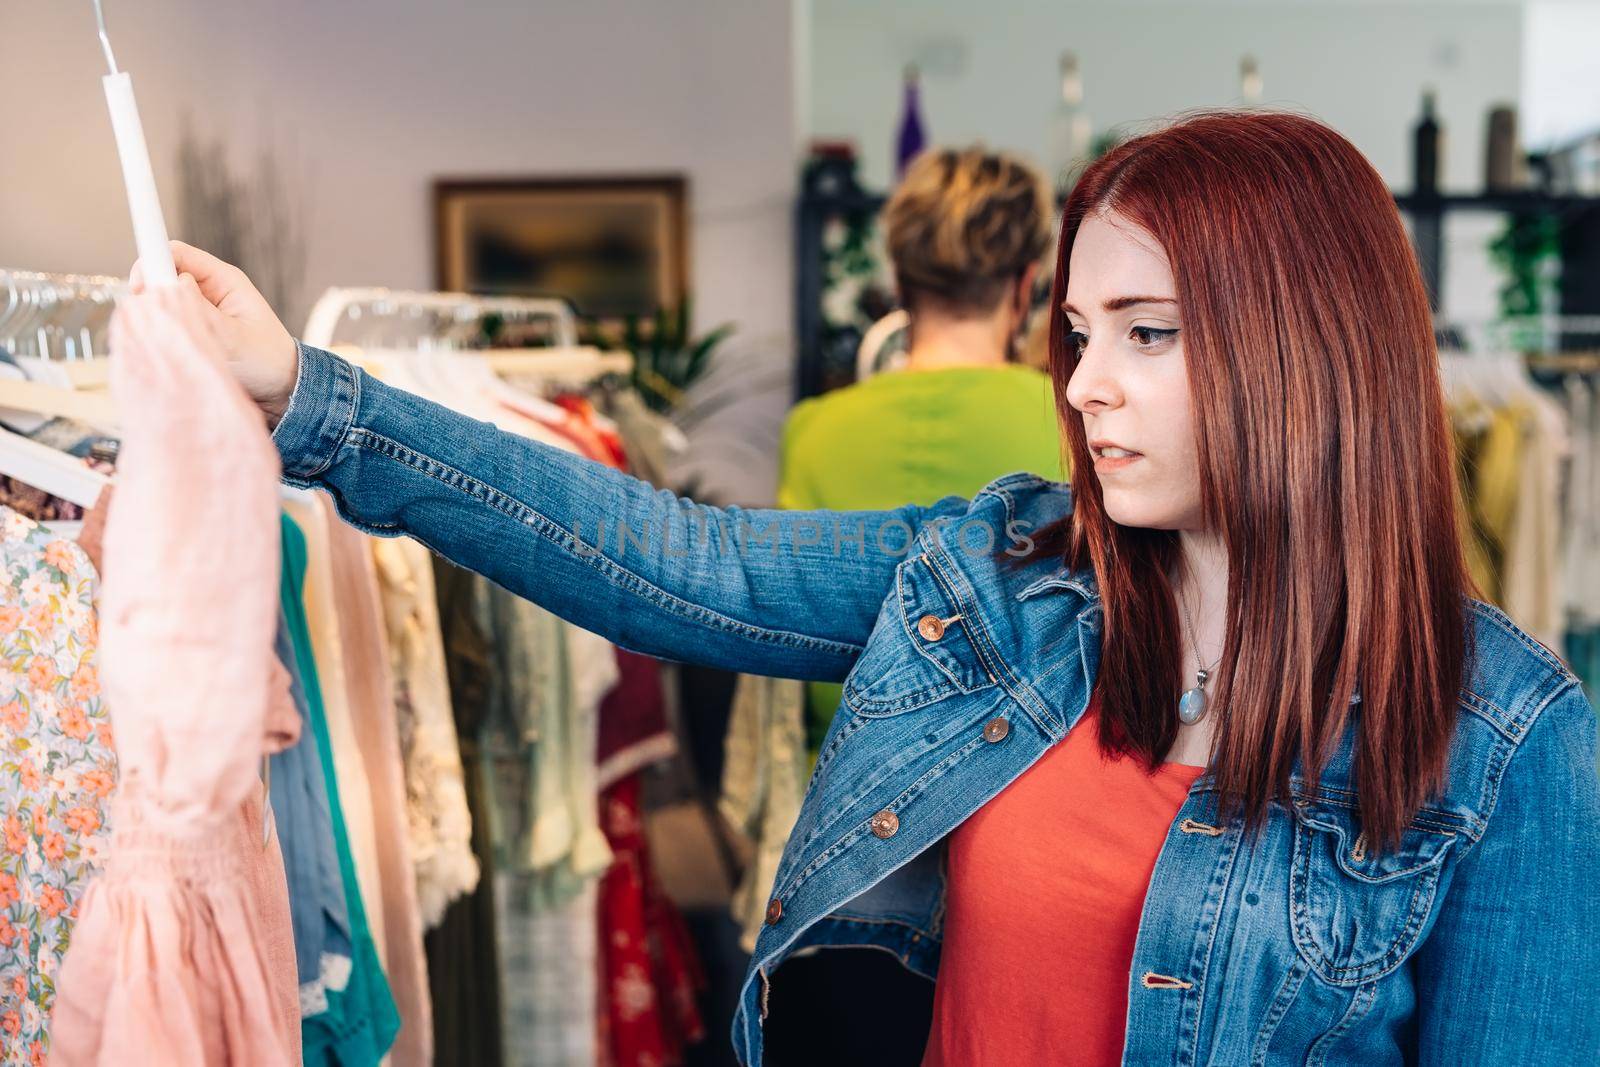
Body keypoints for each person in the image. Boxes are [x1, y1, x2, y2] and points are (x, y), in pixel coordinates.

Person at [120, 110, 1600, 1065]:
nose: (1085, 386)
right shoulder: (1007, 577)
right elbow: (679, 562)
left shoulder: (1508, 742)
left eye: (1146, 334)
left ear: (1307, 343)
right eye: (1078, 332)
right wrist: (310, 395)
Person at [764, 146, 1064, 1062]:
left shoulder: (817, 428)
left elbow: (791, 634)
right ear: (1028, 282)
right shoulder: (1074, 420)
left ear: (898, 277)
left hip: (856, 839)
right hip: (1029, 835)